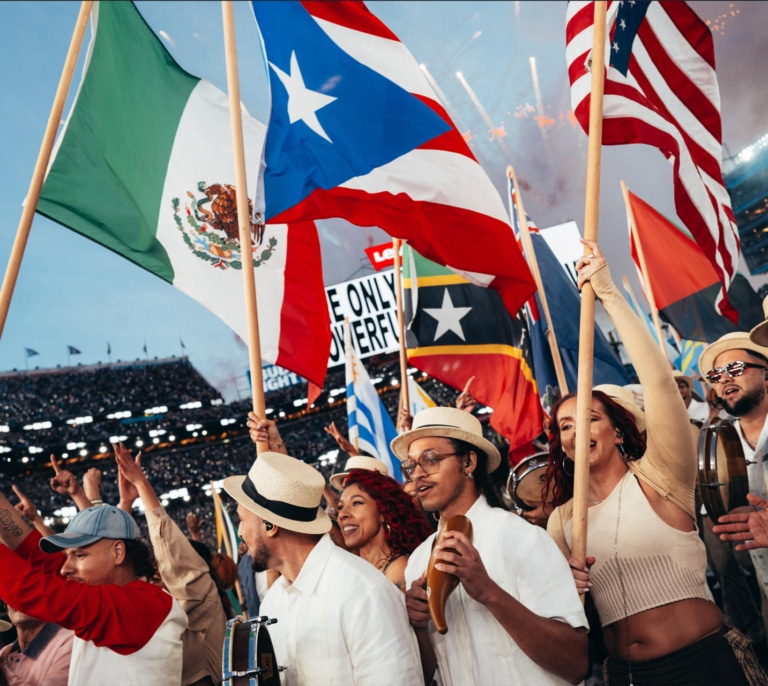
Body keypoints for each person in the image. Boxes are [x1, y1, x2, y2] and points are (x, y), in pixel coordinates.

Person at [545, 241, 764, 685]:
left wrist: (608, 293)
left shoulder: (661, 477)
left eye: (588, 418)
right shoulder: (562, 521)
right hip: (625, 676)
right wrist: (565, 588)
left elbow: (661, 383)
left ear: (619, 430)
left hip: (705, 666)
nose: (573, 432)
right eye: (564, 426)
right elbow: (562, 617)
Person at [396, 406, 588, 686]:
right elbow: (428, 675)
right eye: (411, 465)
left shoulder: (521, 538)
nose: (418, 474)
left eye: (431, 459)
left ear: (469, 462)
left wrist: (488, 591)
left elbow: (575, 662)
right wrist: (419, 627)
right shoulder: (418, 561)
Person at [223, 451, 422, 685]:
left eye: (242, 520)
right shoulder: (272, 602)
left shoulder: (365, 594)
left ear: (270, 525)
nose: (240, 532)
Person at [0, 493, 187, 685]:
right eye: (66, 556)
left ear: (117, 552)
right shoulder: (111, 596)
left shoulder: (147, 604)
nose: (65, 568)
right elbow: (35, 554)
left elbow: (29, 590)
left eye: (79, 555)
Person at [114, 442, 228, 686]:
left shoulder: (197, 605)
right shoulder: (156, 610)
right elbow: (115, 571)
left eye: (158, 567)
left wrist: (143, 485)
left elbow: (171, 552)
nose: (155, 571)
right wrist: (126, 505)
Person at [336, 468, 432, 590]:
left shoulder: (400, 569)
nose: (342, 514)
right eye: (340, 507)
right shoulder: (349, 570)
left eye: (356, 503)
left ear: (383, 511)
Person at [0, 606, 73, 686]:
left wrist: (3, 672)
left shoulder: (70, 644)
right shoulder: (4, 653)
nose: (18, 600)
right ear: (8, 609)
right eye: (10, 595)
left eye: (28, 593)